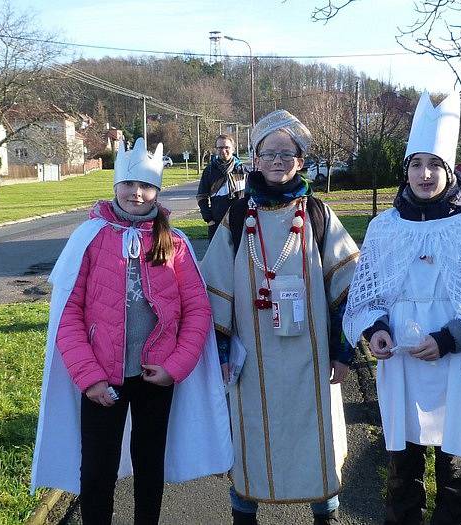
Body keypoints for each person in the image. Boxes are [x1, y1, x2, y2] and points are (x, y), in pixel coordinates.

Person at [343, 92, 461, 525]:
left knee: (455, 469)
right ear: (405, 171)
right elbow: (367, 294)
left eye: (434, 166)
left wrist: (447, 339)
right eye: (416, 165)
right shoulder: (384, 228)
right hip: (402, 363)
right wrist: (376, 331)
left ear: (449, 171)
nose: (425, 174)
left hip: (456, 363)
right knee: (402, 469)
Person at [30, 138, 233, 525]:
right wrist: (88, 378)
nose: (137, 193)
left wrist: (175, 366)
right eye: (129, 184)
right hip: (101, 378)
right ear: (115, 186)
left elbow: (196, 311)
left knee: (149, 467)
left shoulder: (175, 243)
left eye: (146, 186)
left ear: (157, 190)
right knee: (96, 473)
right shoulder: (89, 239)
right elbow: (67, 315)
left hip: (154, 377)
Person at [201, 110, 360, 525]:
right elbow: (214, 286)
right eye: (268, 152)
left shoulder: (319, 215)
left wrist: (344, 353)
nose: (277, 160)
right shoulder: (237, 217)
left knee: (316, 439)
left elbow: (348, 287)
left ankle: (326, 516)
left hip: (312, 358)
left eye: (286, 153)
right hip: (251, 359)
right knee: (250, 437)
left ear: (301, 160)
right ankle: (244, 515)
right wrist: (220, 353)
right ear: (254, 158)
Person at [197, 133, 247, 240]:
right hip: (217, 223)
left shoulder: (243, 170)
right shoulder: (209, 171)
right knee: (218, 256)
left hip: (240, 222)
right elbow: (201, 196)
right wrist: (209, 219)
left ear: (233, 149)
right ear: (216, 149)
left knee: (240, 255)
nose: (223, 150)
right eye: (220, 148)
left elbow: (251, 195)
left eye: (227, 147)